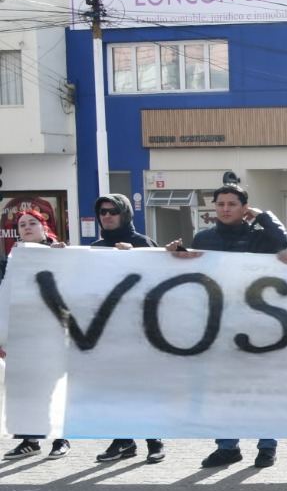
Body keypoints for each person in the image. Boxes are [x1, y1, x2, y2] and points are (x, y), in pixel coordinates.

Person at [167, 180, 287, 469]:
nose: (225, 209)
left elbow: (282, 240)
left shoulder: (261, 238)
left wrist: (261, 215)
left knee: (261, 387)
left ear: (244, 208)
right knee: (220, 387)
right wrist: (178, 254)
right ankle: (227, 446)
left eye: (232, 204)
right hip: (219, 322)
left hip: (257, 321)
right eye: (221, 204)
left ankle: (266, 445)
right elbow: (196, 275)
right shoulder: (203, 238)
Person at [88, 195, 165, 464]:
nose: (106, 216)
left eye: (112, 211)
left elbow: (160, 284)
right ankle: (122, 440)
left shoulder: (143, 244)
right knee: (115, 388)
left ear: (125, 214)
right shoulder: (95, 248)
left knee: (143, 386)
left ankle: (154, 440)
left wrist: (134, 259)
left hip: (142, 330)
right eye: (102, 212)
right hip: (109, 331)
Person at [2, 211, 71, 461]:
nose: (27, 227)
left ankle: (61, 438)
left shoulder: (58, 252)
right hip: (23, 333)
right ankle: (30, 439)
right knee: (26, 389)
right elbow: (7, 294)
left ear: (44, 228)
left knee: (54, 386)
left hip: (51, 332)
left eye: (32, 223)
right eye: (22, 225)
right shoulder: (15, 256)